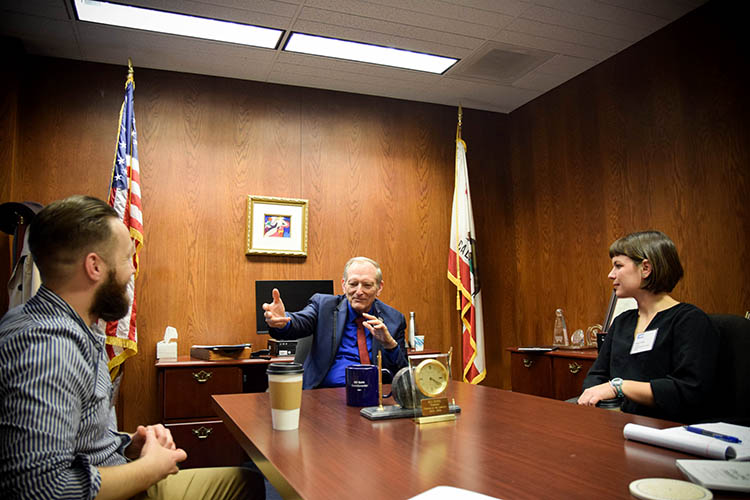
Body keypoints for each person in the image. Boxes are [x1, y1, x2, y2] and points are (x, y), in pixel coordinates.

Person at [0, 195, 263, 500]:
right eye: (127, 258)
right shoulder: (49, 349)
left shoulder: (64, 324)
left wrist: (129, 445)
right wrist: (150, 468)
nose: (132, 272)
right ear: (94, 266)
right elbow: (41, 489)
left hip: (114, 468)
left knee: (248, 480)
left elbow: (78, 441)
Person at [577, 230, 719, 423]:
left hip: (670, 430)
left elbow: (688, 389)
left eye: (618, 266)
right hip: (619, 424)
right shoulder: (622, 322)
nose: (611, 275)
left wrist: (618, 387)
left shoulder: (690, 321)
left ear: (645, 268)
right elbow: (596, 375)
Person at [263, 257, 407, 389]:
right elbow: (301, 321)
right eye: (353, 284)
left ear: (379, 287)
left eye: (367, 285)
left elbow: (403, 375)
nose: (359, 291)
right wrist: (283, 322)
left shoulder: (394, 320)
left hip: (373, 396)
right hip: (324, 395)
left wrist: (390, 344)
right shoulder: (323, 306)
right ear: (344, 285)